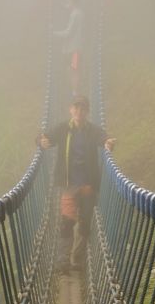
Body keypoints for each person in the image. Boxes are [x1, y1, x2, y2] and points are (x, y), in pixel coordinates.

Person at [39, 94, 115, 270]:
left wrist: (108, 142)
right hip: (69, 185)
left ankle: (77, 259)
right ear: (71, 109)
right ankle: (64, 261)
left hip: (88, 185)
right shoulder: (63, 128)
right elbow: (46, 138)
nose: (79, 111)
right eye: (76, 108)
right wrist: (41, 141)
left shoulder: (93, 130)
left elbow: (103, 138)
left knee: (85, 223)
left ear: (87, 112)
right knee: (67, 221)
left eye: (83, 109)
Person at [54, 0, 85, 97]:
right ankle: (73, 90)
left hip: (73, 48)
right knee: (71, 69)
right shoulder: (78, 13)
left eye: (69, 1)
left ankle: (75, 92)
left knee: (74, 69)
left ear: (73, 2)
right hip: (73, 48)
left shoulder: (75, 14)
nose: (67, 4)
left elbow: (69, 32)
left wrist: (54, 34)